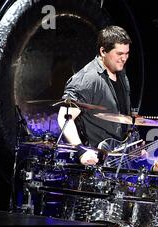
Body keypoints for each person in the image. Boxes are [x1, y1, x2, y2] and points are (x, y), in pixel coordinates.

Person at [57, 25, 133, 166]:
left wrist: (134, 146)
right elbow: (64, 117)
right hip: (96, 164)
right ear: (103, 51)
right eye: (119, 54)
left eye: (127, 53)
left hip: (117, 160)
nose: (124, 58)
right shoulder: (87, 79)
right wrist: (81, 150)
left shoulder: (122, 75)